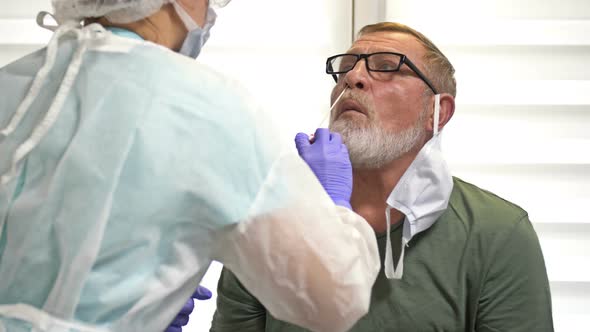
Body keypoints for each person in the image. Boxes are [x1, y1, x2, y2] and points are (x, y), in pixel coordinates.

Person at [0, 1, 382, 331]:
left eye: (385, 66)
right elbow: (336, 299)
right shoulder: (206, 108)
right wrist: (331, 204)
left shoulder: (13, 83)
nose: (354, 78)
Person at [210, 21, 554, 331]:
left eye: (387, 67)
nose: (352, 78)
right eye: (346, 67)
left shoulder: (497, 233)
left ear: (437, 112)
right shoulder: (269, 225)